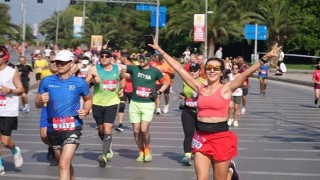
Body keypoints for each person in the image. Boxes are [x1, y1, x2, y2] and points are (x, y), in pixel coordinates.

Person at [149, 41, 281, 180]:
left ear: (221, 71)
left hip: (221, 138)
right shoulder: (199, 88)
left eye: (216, 68)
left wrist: (264, 58)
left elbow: (246, 73)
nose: (212, 70)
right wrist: (159, 49)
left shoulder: (227, 88)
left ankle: (229, 172)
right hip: (201, 137)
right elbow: (179, 69)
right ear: (205, 70)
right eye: (209, 67)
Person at [35, 50, 92, 179]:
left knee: (63, 164)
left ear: (71, 63)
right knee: (64, 163)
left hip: (73, 126)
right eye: (57, 62)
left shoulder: (79, 83)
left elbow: (88, 99)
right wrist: (40, 99)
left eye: (62, 63)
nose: (59, 65)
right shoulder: (46, 81)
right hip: (53, 127)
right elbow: (37, 104)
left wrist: (86, 111)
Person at [119, 54, 169, 162]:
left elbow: (166, 83)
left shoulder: (155, 71)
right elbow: (120, 67)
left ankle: (147, 150)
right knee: (136, 131)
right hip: (135, 103)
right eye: (139, 59)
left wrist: (158, 92)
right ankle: (141, 151)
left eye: (144, 59)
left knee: (144, 129)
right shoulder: (134, 68)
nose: (141, 60)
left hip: (148, 103)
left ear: (149, 60)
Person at [85, 49, 126, 167]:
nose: (104, 58)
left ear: (111, 58)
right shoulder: (93, 69)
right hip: (97, 102)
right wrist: (92, 80)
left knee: (108, 128)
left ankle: (104, 154)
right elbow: (85, 84)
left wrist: (122, 88)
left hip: (112, 102)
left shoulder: (118, 68)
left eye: (107, 56)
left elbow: (123, 78)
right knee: (101, 129)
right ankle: (108, 145)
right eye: (101, 56)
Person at [0, 45, 24, 175]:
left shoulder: (11, 71)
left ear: (5, 57)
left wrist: (9, 90)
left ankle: (15, 150)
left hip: (8, 111)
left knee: (5, 141)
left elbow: (21, 89)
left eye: (0, 56)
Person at [179, 63, 206, 166]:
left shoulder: (204, 82)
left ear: (200, 71)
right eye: (191, 70)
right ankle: (187, 156)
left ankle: (202, 154)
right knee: (188, 133)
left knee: (201, 135)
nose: (193, 72)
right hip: (188, 111)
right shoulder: (186, 81)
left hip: (201, 112)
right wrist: (183, 96)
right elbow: (186, 93)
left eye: (195, 70)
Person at [39, 57, 59, 166]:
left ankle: (57, 154)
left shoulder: (66, 74)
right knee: (44, 135)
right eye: (52, 62)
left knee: (58, 133)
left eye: (57, 62)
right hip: (47, 107)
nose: (55, 64)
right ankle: (52, 146)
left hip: (60, 109)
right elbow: (40, 90)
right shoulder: (44, 74)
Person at [116, 51, 133, 132]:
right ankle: (120, 124)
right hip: (123, 89)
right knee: (121, 106)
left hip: (132, 89)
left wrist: (124, 75)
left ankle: (135, 123)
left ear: (125, 57)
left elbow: (133, 77)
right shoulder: (121, 67)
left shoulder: (132, 66)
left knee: (133, 108)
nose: (120, 59)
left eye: (121, 57)